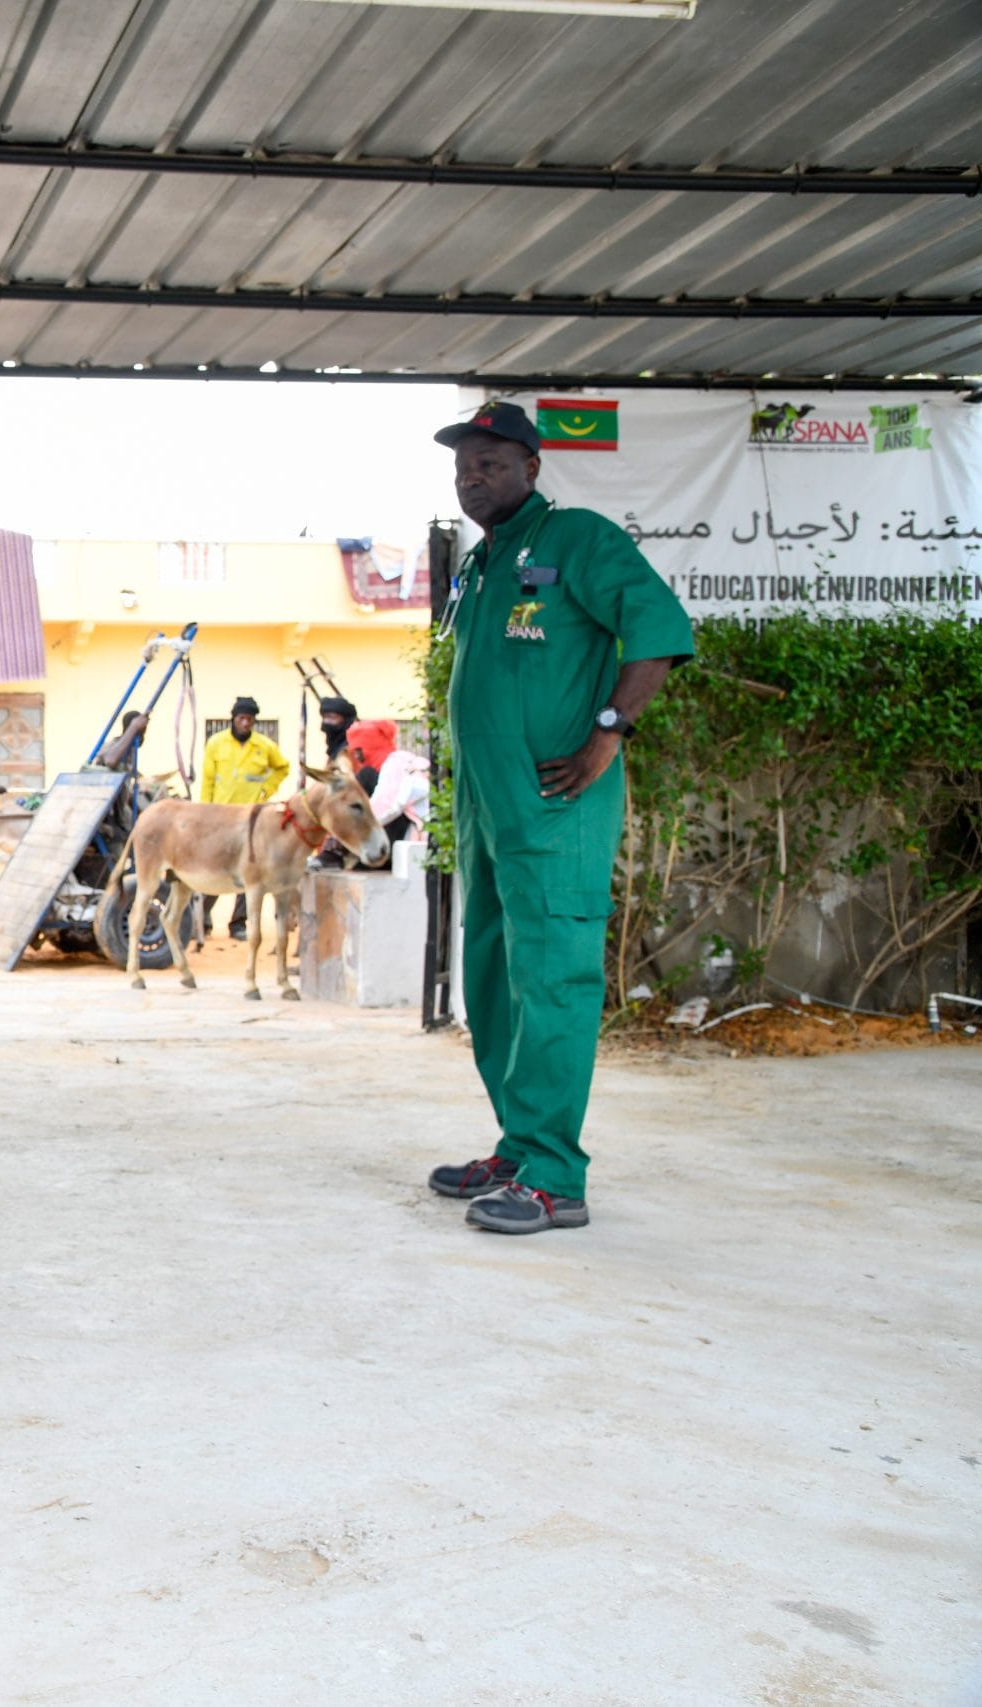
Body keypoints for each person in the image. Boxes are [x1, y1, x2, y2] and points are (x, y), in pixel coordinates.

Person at [425, 399, 693, 1236]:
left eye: (491, 465)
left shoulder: (577, 539)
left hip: (554, 805)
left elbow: (659, 629)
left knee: (554, 980)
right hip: (488, 807)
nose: (474, 480)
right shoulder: (484, 562)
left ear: (532, 468)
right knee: (496, 979)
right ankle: (517, 1146)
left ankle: (555, 1178)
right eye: (465, 467)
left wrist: (609, 732)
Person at [197, 696, 289, 940]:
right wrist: (204, 811)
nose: (245, 723)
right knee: (215, 865)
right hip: (219, 816)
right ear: (233, 719)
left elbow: (283, 768)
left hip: (250, 818)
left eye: (249, 719)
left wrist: (265, 791)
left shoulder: (264, 746)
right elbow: (207, 779)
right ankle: (202, 920)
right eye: (241, 718)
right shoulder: (216, 743)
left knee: (248, 870)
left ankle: (238, 924)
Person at [346, 718, 429, 853]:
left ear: (369, 748)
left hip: (417, 839)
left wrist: (349, 830)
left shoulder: (395, 764)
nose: (356, 756)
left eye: (358, 750)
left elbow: (384, 807)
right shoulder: (406, 760)